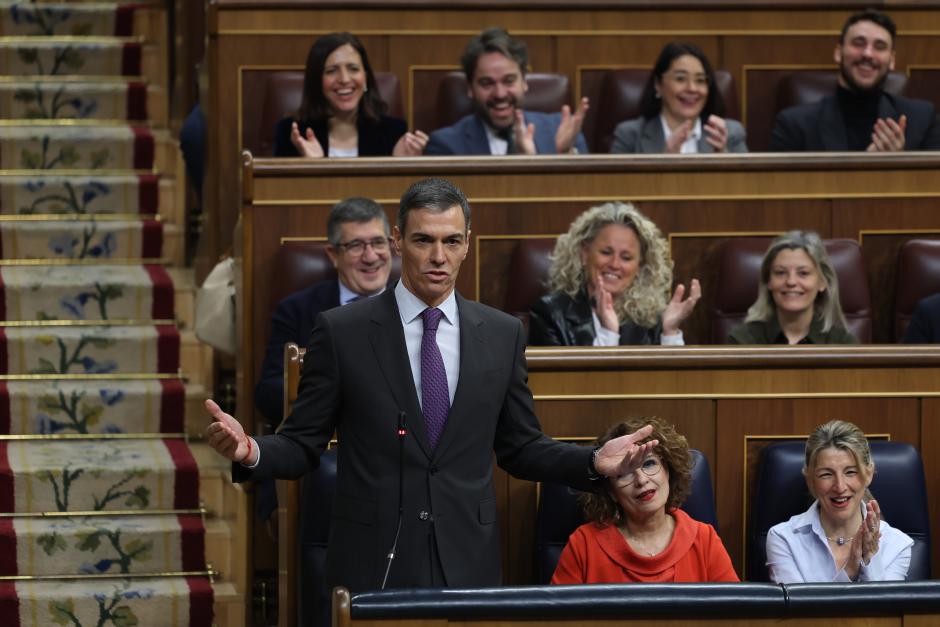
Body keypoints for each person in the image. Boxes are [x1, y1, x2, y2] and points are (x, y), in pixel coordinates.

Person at [206, 177, 659, 593]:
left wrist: (592, 461)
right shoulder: (342, 332)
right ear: (398, 241)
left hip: (468, 559)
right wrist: (251, 450)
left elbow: (521, 447)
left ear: (467, 245)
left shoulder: (501, 334)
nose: (438, 256)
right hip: (372, 561)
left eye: (451, 241)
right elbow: (303, 443)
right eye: (424, 240)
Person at [254, 196, 393, 426]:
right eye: (356, 245)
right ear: (333, 255)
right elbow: (269, 392)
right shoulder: (296, 310)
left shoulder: (416, 305)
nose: (370, 257)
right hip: (327, 437)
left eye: (378, 242)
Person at [551, 417, 738, 583]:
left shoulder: (704, 539)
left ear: (668, 471)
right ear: (611, 492)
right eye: (624, 474)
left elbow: (733, 610)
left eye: (649, 464)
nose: (641, 480)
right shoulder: (583, 544)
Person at [528, 202, 700, 346]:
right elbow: (567, 377)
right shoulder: (550, 314)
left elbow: (669, 377)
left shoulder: (650, 319)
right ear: (585, 253)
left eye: (626, 257)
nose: (615, 264)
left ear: (639, 265)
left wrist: (669, 332)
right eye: (606, 252)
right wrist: (608, 333)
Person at [770, 9, 940, 151]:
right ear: (839, 53)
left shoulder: (923, 119)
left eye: (879, 47)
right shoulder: (793, 125)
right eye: (859, 43)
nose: (868, 54)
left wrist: (900, 164)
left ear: (892, 60)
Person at [765, 420, 913, 582]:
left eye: (850, 472)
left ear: (869, 474)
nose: (840, 487)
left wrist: (870, 560)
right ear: (810, 479)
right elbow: (798, 601)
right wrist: (850, 569)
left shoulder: (898, 546)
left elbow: (884, 599)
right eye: (826, 474)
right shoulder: (783, 539)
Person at [424, 27, 588, 156]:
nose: (500, 94)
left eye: (509, 81)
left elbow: (586, 188)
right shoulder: (445, 145)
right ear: (470, 88)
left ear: (524, 81)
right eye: (487, 83)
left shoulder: (562, 130)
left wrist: (562, 155)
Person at [274, 32, 427, 158]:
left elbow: (407, 186)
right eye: (331, 71)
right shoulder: (293, 134)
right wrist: (312, 166)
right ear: (317, 81)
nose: (345, 79)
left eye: (353, 69)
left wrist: (403, 165)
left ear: (365, 77)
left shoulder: (393, 132)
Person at [610, 42, 747, 154]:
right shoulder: (630, 135)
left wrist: (723, 157)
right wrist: (664, 161)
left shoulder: (730, 133)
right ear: (658, 84)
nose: (692, 88)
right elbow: (616, 181)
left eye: (700, 80)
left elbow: (747, 180)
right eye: (680, 79)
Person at [728, 231, 858, 345]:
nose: (791, 282)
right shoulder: (743, 340)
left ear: (822, 282)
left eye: (803, 273)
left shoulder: (842, 343)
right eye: (780, 273)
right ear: (768, 281)